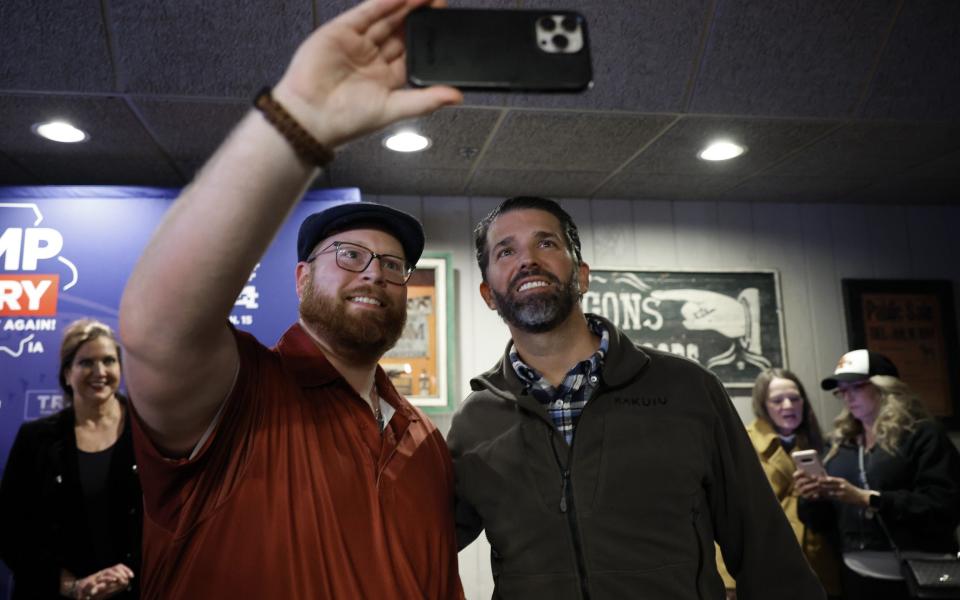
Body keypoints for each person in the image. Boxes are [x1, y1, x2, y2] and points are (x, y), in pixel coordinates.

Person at [116, 0, 464, 598]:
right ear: (301, 278)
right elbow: (155, 330)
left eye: (392, 265)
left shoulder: (423, 439)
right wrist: (297, 121)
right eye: (349, 256)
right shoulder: (236, 395)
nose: (374, 274)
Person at [447, 196, 826, 599]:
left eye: (547, 244)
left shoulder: (688, 389)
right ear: (488, 294)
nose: (528, 260)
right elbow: (419, 543)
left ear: (582, 276)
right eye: (506, 251)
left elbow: (765, 546)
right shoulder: (476, 420)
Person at [796, 349, 960, 600]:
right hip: (855, 574)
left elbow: (944, 505)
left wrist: (869, 499)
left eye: (856, 387)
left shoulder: (923, 435)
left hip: (921, 573)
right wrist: (811, 497)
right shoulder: (840, 444)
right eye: (841, 390)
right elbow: (823, 523)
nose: (847, 397)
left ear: (886, 389)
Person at [0, 319, 141, 600]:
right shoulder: (35, 438)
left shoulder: (149, 435)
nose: (99, 372)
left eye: (109, 360)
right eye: (86, 362)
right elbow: (9, 528)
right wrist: (69, 585)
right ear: (67, 374)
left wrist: (129, 574)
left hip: (135, 590)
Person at [715, 369, 840, 598]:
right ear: (763, 405)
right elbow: (727, 515)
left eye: (794, 398)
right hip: (765, 566)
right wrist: (728, 581)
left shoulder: (822, 444)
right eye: (777, 400)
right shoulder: (743, 441)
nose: (788, 406)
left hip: (815, 565)